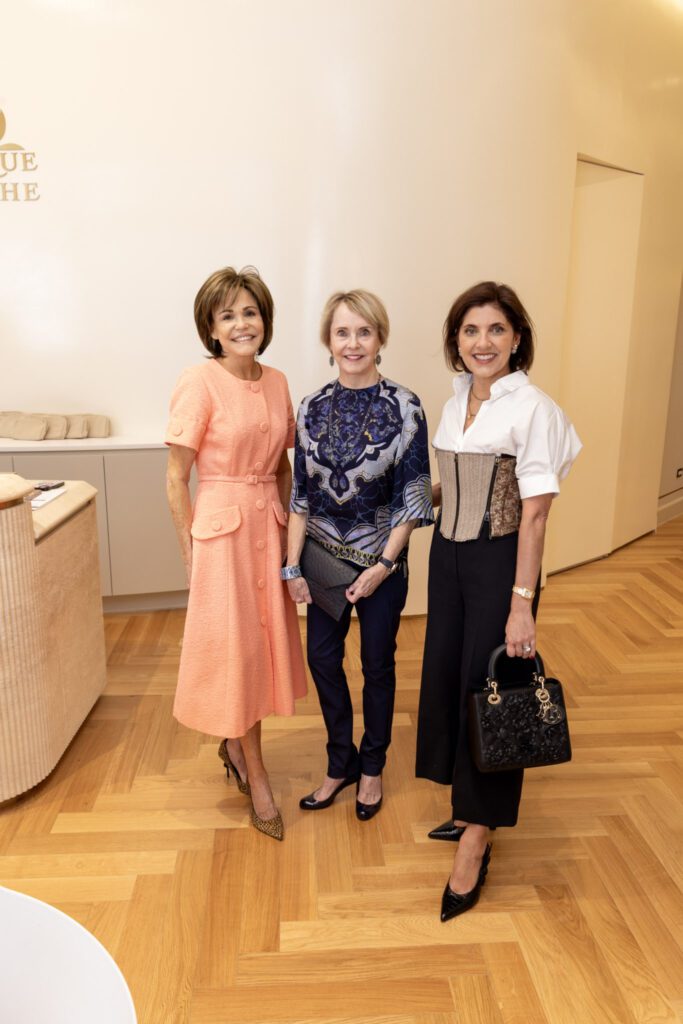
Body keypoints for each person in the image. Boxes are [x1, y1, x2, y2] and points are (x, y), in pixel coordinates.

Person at [415, 281, 581, 920]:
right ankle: (466, 808)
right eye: (470, 331)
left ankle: (478, 839)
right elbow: (449, 486)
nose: (482, 342)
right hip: (447, 561)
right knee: (455, 682)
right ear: (456, 341)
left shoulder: (534, 408)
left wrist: (522, 603)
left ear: (517, 338)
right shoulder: (455, 400)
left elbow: (535, 519)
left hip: (500, 563)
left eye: (495, 330)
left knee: (495, 690)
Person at [165, 266, 307, 841]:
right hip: (222, 538)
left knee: (262, 648)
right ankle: (257, 772)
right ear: (212, 328)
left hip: (268, 529)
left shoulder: (277, 380)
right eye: (229, 315)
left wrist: (296, 535)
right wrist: (191, 557)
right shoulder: (198, 382)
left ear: (264, 321)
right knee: (237, 655)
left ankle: (235, 747)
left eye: (250, 312)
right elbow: (176, 478)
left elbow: (282, 465)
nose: (242, 323)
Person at [285, 289, 433, 819]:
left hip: (382, 563)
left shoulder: (406, 405)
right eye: (343, 332)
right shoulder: (311, 407)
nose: (353, 343)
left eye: (364, 332)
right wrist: (291, 567)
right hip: (321, 561)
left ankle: (371, 768)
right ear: (329, 340)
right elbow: (300, 497)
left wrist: (383, 566)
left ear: (380, 339)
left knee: (377, 665)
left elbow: (413, 498)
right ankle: (339, 762)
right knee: (322, 659)